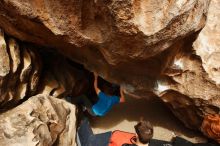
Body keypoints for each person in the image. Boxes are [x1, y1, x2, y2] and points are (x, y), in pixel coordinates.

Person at [77, 118, 218, 146]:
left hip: (111, 140)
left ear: (136, 135)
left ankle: (81, 123)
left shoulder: (124, 141)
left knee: (89, 140)